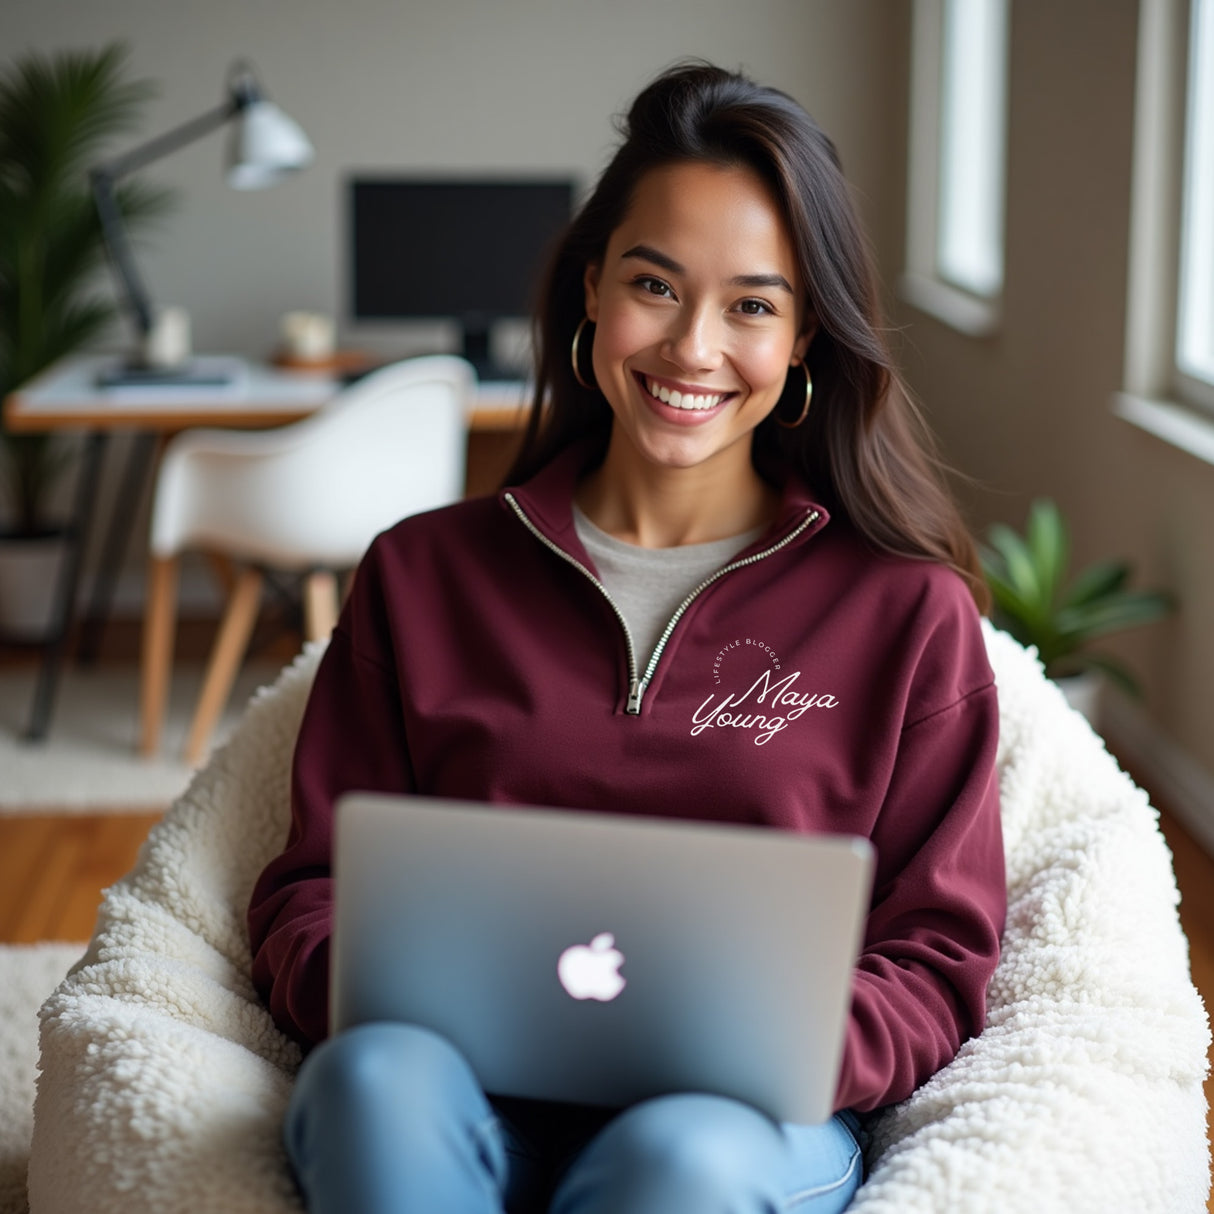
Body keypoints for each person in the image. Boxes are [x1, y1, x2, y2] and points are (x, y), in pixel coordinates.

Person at [248, 61, 1006, 1214]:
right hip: (459, 1095)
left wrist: (791, 1048)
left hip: (736, 1125)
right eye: (655, 284)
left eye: (751, 304)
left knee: (675, 1160)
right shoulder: (421, 573)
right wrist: (368, 990)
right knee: (369, 1082)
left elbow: (937, 954)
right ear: (592, 287)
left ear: (803, 339)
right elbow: (310, 889)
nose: (691, 347)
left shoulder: (905, 612)